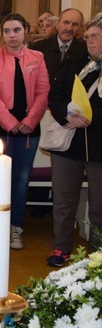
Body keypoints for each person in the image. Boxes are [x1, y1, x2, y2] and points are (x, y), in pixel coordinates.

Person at [0, 13, 50, 250]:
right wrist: (11, 122)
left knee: (21, 182)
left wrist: (29, 121)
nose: (11, 35)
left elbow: (43, 92)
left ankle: (14, 228)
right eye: (7, 31)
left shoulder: (37, 57)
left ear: (26, 31)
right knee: (0, 180)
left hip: (29, 131)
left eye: (16, 30)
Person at [46, 16, 102, 265]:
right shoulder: (75, 63)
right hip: (69, 141)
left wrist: (91, 118)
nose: (90, 41)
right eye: (88, 36)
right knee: (64, 199)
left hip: (99, 144)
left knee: (99, 204)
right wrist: (67, 114)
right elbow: (55, 94)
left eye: (96, 37)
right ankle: (61, 247)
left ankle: (97, 253)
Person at [30, 8, 86, 82]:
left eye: (75, 24)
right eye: (66, 22)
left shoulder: (84, 50)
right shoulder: (38, 47)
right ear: (57, 24)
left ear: (80, 28)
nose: (69, 28)